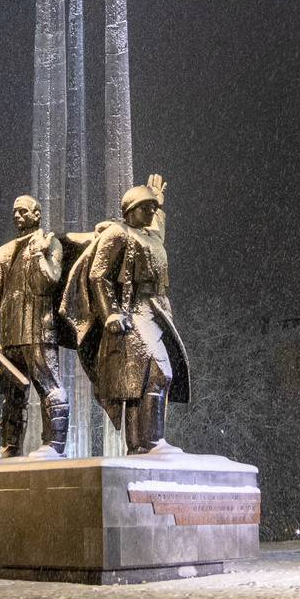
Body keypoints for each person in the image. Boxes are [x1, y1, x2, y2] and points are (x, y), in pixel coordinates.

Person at [65, 174, 191, 453]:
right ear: (130, 210)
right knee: (158, 374)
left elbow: (157, 237)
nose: (152, 211)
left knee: (140, 382)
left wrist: (159, 200)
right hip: (131, 312)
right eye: (147, 207)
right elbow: (99, 275)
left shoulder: (149, 235)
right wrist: (109, 312)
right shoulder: (118, 234)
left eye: (153, 208)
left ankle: (139, 447)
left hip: (154, 310)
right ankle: (152, 442)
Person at [0, 194, 75, 456]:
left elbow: (48, 282)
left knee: (50, 385)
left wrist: (38, 252)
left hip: (39, 330)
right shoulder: (2, 253)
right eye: (14, 211)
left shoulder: (50, 243)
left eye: (23, 211)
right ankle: (9, 448)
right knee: (12, 395)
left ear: (37, 215)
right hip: (9, 335)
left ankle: (54, 446)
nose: (17, 216)